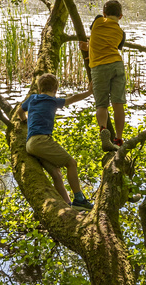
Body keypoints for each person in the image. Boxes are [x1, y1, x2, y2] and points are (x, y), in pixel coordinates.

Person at [18, 72, 94, 210]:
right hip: (42, 141)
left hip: (30, 144)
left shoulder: (32, 98)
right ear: (55, 90)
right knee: (71, 163)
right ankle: (79, 199)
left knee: (56, 173)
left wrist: (24, 121)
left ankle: (68, 204)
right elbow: (73, 98)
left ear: (40, 89)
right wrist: (89, 92)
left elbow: (19, 111)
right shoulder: (53, 101)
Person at [83, 0, 126, 152]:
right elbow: (113, 45)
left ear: (104, 13)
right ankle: (119, 138)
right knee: (118, 104)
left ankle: (103, 130)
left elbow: (96, 38)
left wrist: (87, 48)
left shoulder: (98, 20)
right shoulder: (121, 33)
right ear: (120, 16)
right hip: (117, 65)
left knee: (101, 104)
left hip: (99, 67)